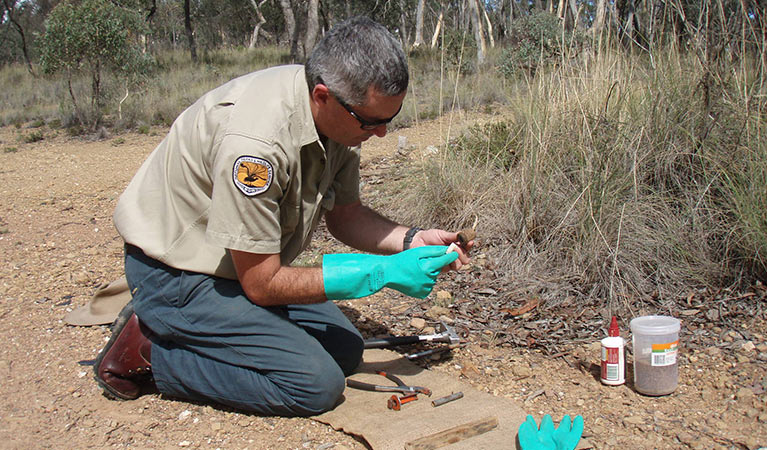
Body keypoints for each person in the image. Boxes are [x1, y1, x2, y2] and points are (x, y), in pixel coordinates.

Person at [93, 16, 472, 417]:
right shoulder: (256, 147)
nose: (380, 134)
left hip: (237, 265)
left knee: (345, 349)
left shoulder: (340, 116)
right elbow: (261, 284)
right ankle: (150, 351)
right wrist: (380, 273)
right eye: (371, 122)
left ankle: (201, 334)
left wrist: (412, 240)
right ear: (323, 96)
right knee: (313, 385)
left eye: (388, 121)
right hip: (177, 275)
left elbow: (345, 216)